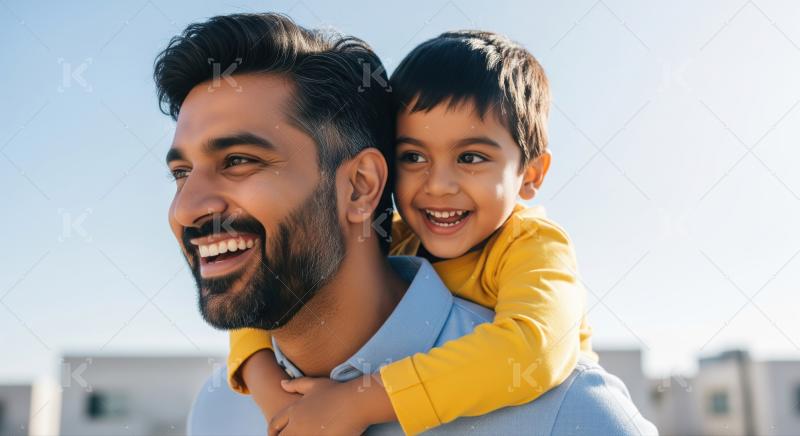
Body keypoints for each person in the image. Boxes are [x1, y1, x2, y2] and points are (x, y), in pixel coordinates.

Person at [156, 12, 658, 435]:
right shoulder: (219, 409)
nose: (186, 207)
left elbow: (535, 348)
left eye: (240, 160)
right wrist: (273, 397)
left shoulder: (568, 408)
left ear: (360, 187)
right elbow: (258, 298)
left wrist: (355, 401)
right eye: (181, 173)